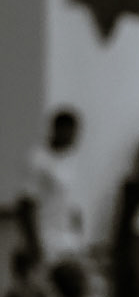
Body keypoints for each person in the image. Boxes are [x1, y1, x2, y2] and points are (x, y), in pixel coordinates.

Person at [22, 109, 87, 265]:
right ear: (58, 130)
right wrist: (34, 244)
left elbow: (72, 200)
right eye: (70, 132)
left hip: (67, 235)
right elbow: (26, 203)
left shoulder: (71, 160)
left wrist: (78, 233)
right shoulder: (39, 160)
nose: (74, 137)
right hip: (45, 235)